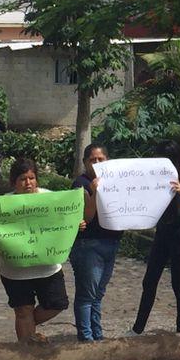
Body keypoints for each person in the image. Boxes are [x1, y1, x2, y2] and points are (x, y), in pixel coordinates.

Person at [0, 158, 71, 342]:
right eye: (23, 179)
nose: (28, 183)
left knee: (57, 303)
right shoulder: (1, 205)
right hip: (15, 270)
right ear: (14, 182)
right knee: (22, 310)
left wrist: (76, 224)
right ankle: (26, 355)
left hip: (47, 267)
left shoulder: (51, 199)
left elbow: (66, 221)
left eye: (32, 178)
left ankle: (28, 328)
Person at [132, 141, 180, 334]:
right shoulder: (159, 175)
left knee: (178, 283)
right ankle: (138, 328)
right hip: (162, 231)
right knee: (150, 280)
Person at [68, 144, 119, 341]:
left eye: (101, 159)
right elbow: (87, 218)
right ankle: (86, 338)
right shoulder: (80, 184)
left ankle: (97, 335)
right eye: (92, 160)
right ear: (85, 163)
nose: (97, 163)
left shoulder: (115, 181)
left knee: (98, 294)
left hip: (111, 242)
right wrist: (95, 192)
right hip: (88, 245)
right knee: (86, 295)